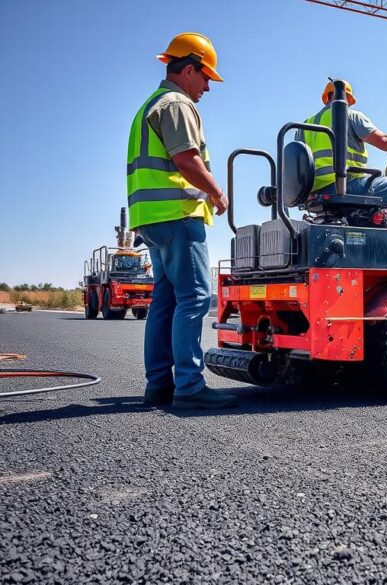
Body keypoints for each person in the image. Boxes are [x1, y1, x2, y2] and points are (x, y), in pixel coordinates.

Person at [127, 32, 238, 410]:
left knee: (166, 300)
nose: (208, 86)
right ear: (188, 69)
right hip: (176, 214)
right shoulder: (177, 103)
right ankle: (189, 386)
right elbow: (186, 159)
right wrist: (217, 193)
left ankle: (158, 385)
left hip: (152, 218)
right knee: (194, 298)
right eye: (206, 77)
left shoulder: (151, 104)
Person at [299, 80, 387, 252]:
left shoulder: (304, 126)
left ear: (326, 98)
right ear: (349, 99)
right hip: (348, 186)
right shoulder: (350, 115)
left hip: (316, 194)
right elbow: (384, 140)